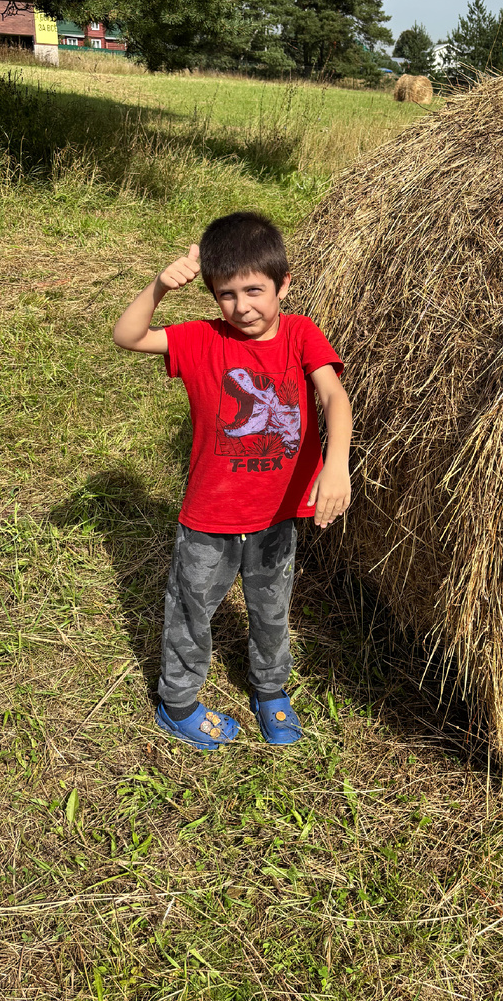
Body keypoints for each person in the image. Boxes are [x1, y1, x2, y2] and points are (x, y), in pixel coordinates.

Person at [113, 211, 352, 748]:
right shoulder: (199, 339)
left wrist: (335, 463)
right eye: (226, 294)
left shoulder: (299, 333)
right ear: (211, 294)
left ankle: (270, 690)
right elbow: (127, 336)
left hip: (276, 515)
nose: (242, 307)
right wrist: (158, 286)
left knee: (271, 607)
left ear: (283, 285)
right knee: (192, 607)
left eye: (254, 290)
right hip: (209, 517)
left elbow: (334, 396)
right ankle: (177, 703)